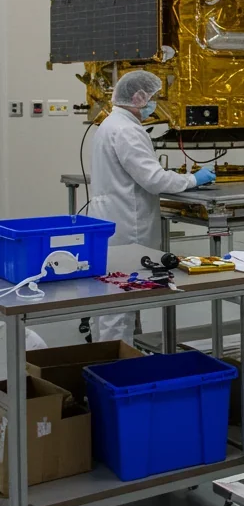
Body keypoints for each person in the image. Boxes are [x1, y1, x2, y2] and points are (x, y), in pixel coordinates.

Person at [88, 71, 215, 344]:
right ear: (137, 97)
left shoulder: (110, 124)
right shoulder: (127, 130)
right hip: (126, 224)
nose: (154, 104)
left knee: (114, 298)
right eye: (153, 98)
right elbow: (154, 179)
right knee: (121, 300)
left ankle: (112, 359)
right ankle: (117, 368)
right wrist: (193, 178)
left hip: (112, 219)